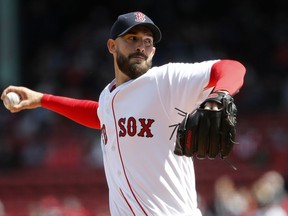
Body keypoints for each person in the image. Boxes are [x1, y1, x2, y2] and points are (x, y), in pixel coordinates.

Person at [1, 11, 246, 216]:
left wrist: (218, 96)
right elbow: (101, 115)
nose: (141, 45)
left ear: (153, 51)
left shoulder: (164, 82)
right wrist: (43, 100)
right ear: (112, 46)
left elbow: (231, 67)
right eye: (132, 38)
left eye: (148, 41)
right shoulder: (108, 95)